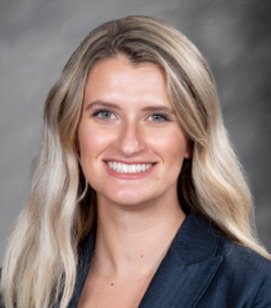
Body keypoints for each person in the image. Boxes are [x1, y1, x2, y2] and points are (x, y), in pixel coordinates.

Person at [1, 15, 271, 308]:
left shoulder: (253, 289)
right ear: (72, 132)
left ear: (192, 140)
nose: (129, 144)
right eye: (105, 114)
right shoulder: (21, 287)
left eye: (157, 117)